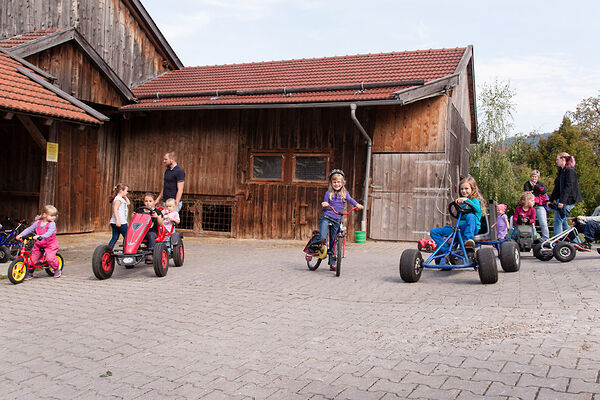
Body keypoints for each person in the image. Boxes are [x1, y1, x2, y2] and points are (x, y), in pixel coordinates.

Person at [313, 169, 363, 271]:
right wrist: (325, 204)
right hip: (326, 218)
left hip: (337, 219)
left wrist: (357, 205)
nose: (336, 184)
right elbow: (324, 205)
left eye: (339, 182)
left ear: (342, 182)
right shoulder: (328, 193)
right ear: (331, 183)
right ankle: (311, 250)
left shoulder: (345, 194)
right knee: (323, 237)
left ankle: (333, 263)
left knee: (333, 241)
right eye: (334, 182)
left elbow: (350, 200)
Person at [430, 176, 486, 253]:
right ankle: (446, 250)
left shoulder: (474, 201)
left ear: (472, 189)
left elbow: (478, 209)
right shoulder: (461, 203)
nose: (463, 191)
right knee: (434, 231)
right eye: (462, 189)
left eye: (466, 189)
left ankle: (468, 242)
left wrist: (467, 200)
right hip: (459, 229)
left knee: (470, 216)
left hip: (471, 228)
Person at [16, 205, 61, 279]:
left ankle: (56, 269)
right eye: (52, 215)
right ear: (44, 215)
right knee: (32, 259)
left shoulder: (52, 224)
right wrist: (20, 235)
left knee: (50, 258)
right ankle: (30, 272)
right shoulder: (37, 223)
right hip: (39, 244)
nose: (54, 217)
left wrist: (41, 236)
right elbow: (29, 229)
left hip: (50, 244)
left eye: (54, 216)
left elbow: (49, 233)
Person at [549, 152, 582, 235]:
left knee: (557, 221)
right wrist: (550, 200)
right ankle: (576, 241)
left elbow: (568, 187)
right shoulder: (562, 171)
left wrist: (562, 201)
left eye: (557, 159)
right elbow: (557, 188)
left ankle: (557, 241)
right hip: (562, 199)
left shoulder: (570, 171)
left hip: (568, 200)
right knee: (564, 222)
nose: (556, 161)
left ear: (563, 159)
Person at [523, 170, 550, 241]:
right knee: (531, 223)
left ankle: (546, 239)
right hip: (531, 206)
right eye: (532, 176)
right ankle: (532, 238)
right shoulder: (527, 184)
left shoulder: (540, 184)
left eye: (535, 177)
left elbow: (543, 191)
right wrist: (535, 192)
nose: (534, 178)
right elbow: (527, 193)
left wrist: (535, 189)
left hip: (540, 206)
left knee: (543, 223)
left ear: (538, 177)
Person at [108, 183, 130, 249]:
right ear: (121, 191)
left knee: (115, 237)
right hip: (120, 222)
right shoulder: (118, 199)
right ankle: (126, 250)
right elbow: (115, 209)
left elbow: (128, 203)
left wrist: (125, 197)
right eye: (126, 191)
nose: (127, 192)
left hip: (116, 222)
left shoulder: (120, 198)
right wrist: (118, 220)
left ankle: (108, 250)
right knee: (127, 237)